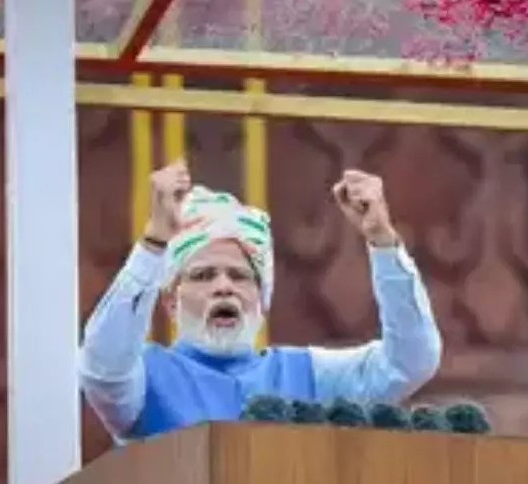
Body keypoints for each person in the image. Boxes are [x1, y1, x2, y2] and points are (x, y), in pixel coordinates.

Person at [79, 162, 443, 442]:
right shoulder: (146, 375)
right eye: (204, 276)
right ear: (171, 303)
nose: (224, 287)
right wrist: (155, 243)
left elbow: (410, 362)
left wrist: (382, 240)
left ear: (262, 301)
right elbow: (102, 367)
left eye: (239, 276)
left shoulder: (308, 375)